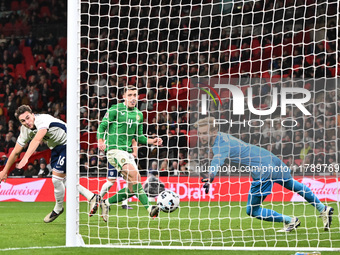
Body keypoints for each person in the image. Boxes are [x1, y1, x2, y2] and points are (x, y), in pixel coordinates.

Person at [196, 117, 334, 232]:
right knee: (291, 184)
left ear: (214, 131)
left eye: (204, 133)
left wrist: (209, 177)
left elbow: (216, 161)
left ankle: (290, 221)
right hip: (270, 158)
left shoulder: (220, 145)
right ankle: (323, 208)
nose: (201, 136)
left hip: (262, 169)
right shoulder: (223, 137)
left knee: (252, 211)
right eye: (200, 133)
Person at [0, 105, 99, 223]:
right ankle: (92, 197)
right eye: (23, 121)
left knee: (56, 179)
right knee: (63, 180)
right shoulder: (25, 130)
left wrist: (25, 158)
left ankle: (58, 209)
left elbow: (37, 140)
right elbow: (15, 152)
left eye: (28, 118)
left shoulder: (42, 119)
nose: (27, 122)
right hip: (55, 148)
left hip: (69, 142)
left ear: (32, 114)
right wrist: (4, 171)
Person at [93, 85, 163, 222]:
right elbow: (102, 126)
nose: (133, 98)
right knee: (135, 175)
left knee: (132, 187)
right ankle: (149, 209)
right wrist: (100, 141)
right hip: (114, 150)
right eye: (130, 95)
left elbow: (139, 137)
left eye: (135, 95)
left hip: (126, 152)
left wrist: (152, 141)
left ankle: (105, 203)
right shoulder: (116, 109)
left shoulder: (139, 115)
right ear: (124, 97)